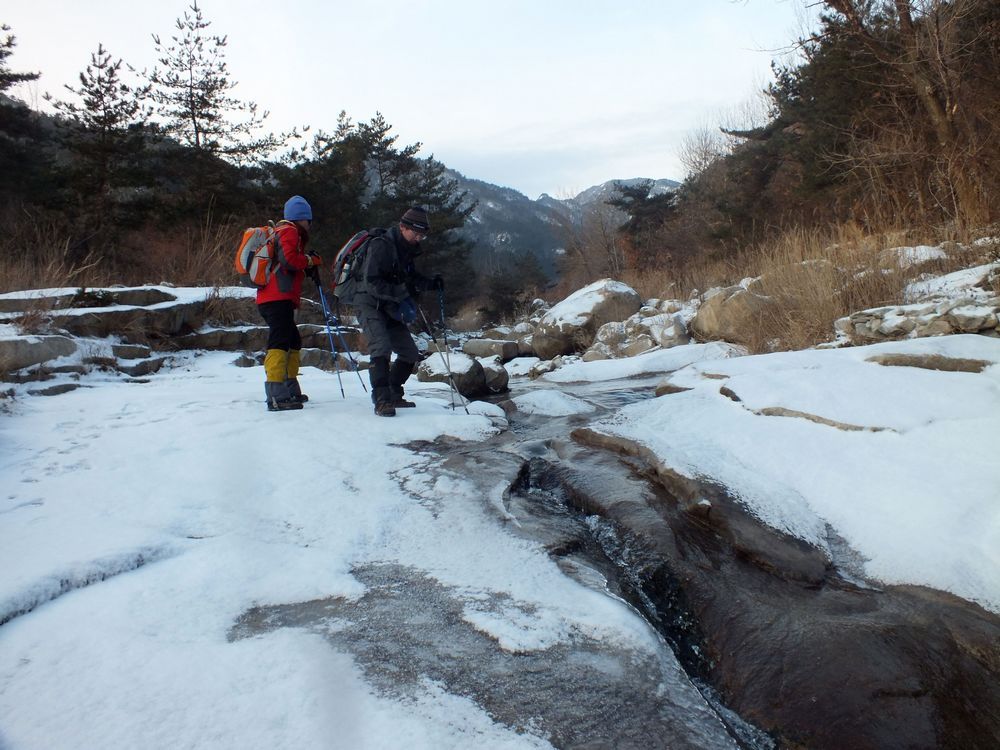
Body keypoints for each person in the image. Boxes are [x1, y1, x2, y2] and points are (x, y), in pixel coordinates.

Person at [352, 206, 442, 417]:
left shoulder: (405, 250)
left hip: (389, 304)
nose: (419, 238)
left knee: (410, 353)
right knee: (381, 347)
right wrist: (402, 291)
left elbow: (410, 277)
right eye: (416, 233)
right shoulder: (381, 246)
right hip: (368, 302)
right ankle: (382, 400)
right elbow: (372, 282)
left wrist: (431, 284)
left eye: (422, 235)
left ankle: (393, 393)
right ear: (403, 227)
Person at [256, 195, 323, 412]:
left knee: (292, 340)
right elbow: (289, 260)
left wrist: (306, 263)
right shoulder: (289, 231)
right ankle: (276, 395)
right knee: (280, 341)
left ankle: (289, 388)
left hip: (275, 297)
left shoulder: (283, 232)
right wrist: (311, 261)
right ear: (302, 218)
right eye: (308, 220)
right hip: (276, 297)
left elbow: (287, 262)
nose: (309, 225)